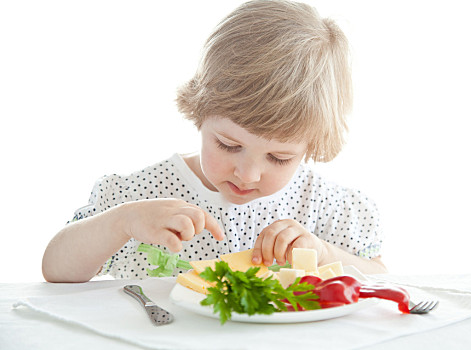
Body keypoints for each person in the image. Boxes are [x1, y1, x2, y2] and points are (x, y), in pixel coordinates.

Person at [42, 0, 387, 283]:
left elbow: (382, 279)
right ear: (199, 110)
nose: (248, 174)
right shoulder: (140, 194)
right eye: (228, 145)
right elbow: (56, 270)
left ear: (311, 145)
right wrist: (121, 222)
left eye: (279, 158)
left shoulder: (328, 208)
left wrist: (325, 255)